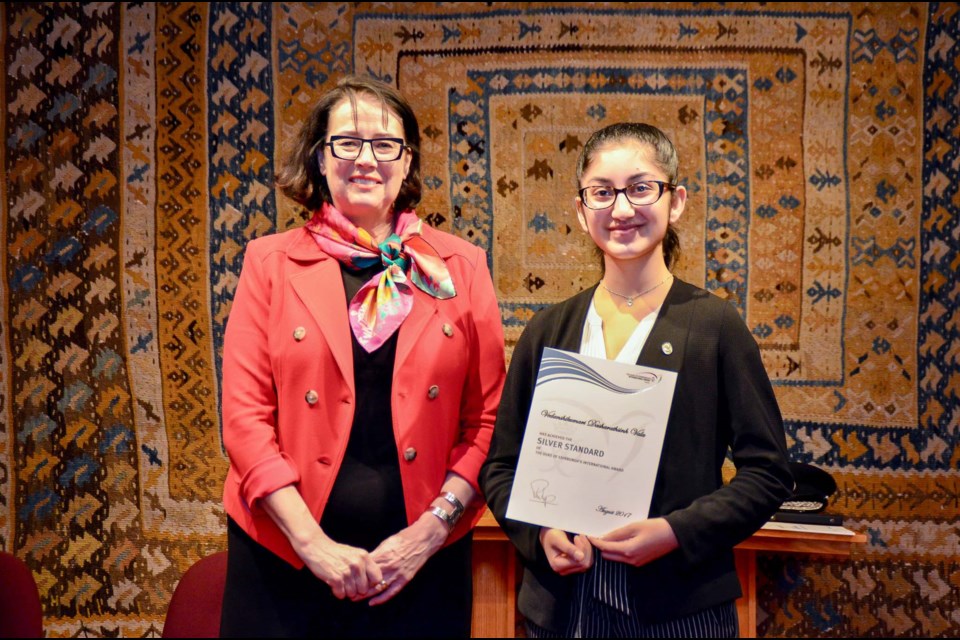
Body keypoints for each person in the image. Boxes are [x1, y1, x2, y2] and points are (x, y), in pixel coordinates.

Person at [479, 122, 793, 638]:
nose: (621, 209)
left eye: (641, 188)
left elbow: (768, 473)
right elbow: (501, 466)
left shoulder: (715, 327)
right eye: (601, 193)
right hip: (562, 609)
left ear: (677, 201)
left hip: (680, 607)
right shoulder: (548, 329)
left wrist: (675, 532)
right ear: (582, 212)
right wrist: (539, 535)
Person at [219, 75, 506, 638]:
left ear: (407, 162)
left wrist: (429, 533)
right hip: (284, 558)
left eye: (385, 144)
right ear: (320, 160)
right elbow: (245, 420)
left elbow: (489, 421)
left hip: (420, 565)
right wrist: (312, 544)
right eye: (346, 142)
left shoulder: (461, 266)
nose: (366, 159)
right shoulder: (268, 262)